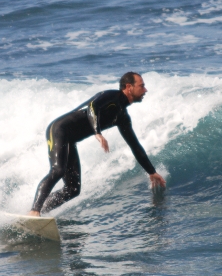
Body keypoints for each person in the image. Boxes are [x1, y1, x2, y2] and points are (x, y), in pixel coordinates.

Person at [29, 72, 166, 216]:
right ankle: (34, 210)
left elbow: (135, 146)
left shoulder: (122, 117)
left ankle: (41, 212)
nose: (145, 90)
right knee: (58, 170)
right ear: (128, 87)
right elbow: (92, 107)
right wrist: (97, 132)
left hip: (70, 140)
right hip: (58, 129)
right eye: (142, 86)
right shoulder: (112, 96)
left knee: (73, 189)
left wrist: (152, 172)